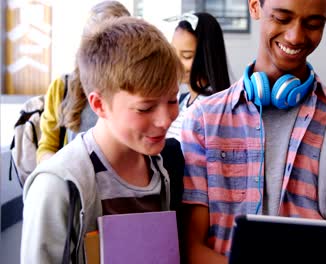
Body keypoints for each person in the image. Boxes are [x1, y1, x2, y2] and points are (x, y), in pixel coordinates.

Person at [180, 0, 326, 263]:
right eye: (282, 18)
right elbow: (191, 248)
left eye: (313, 24)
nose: (296, 37)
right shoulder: (204, 119)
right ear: (254, 7)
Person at [21, 17, 184, 263]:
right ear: (99, 105)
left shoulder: (159, 169)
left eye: (172, 100)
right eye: (145, 108)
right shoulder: (57, 185)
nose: (165, 119)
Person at [37, 0, 130, 163]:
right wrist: (65, 175)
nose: (107, 57)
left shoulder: (137, 89)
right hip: (72, 182)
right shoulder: (63, 87)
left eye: (117, 47)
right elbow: (47, 147)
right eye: (100, 47)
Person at [166, 12, 231, 141]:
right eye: (173, 53)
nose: (176, 62)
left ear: (208, 56)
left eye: (186, 56)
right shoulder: (182, 102)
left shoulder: (211, 110)